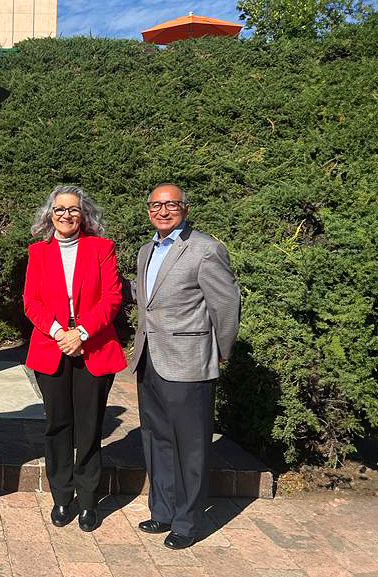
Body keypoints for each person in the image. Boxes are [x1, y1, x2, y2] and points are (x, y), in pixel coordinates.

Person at [131, 183, 240, 549]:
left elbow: (225, 306)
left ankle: (188, 523)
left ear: (185, 208)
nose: (162, 211)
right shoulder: (146, 250)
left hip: (190, 363)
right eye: (155, 205)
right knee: (156, 440)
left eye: (171, 205)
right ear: (148, 210)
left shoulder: (206, 250)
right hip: (150, 360)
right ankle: (162, 511)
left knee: (191, 447)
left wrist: (220, 352)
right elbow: (147, 301)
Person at [22, 185, 126, 532]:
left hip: (92, 346)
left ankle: (88, 500)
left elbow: (112, 298)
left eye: (73, 210)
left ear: (85, 215)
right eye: (59, 209)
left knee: (90, 427)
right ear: (50, 214)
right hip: (52, 345)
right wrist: (59, 334)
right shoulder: (38, 252)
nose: (66, 215)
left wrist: (80, 334)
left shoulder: (101, 249)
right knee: (57, 426)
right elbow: (31, 302)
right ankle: (62, 497)